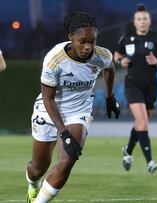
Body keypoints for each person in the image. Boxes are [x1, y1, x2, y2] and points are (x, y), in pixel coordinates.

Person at [25, 12, 120, 203]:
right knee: (38, 169)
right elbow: (48, 98)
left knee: (68, 160)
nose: (88, 47)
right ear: (71, 37)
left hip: (79, 111)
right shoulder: (54, 60)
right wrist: (63, 133)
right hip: (49, 109)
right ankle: (33, 186)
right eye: (82, 41)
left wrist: (110, 97)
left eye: (92, 41)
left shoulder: (101, 55)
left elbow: (109, 69)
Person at [113, 4, 157, 174]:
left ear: (149, 21)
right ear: (134, 21)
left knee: (142, 122)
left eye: (145, 19)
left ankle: (128, 151)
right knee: (142, 122)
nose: (142, 22)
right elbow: (116, 55)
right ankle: (150, 161)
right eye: (139, 19)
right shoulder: (126, 38)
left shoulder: (156, 37)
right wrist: (121, 61)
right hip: (132, 84)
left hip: (151, 86)